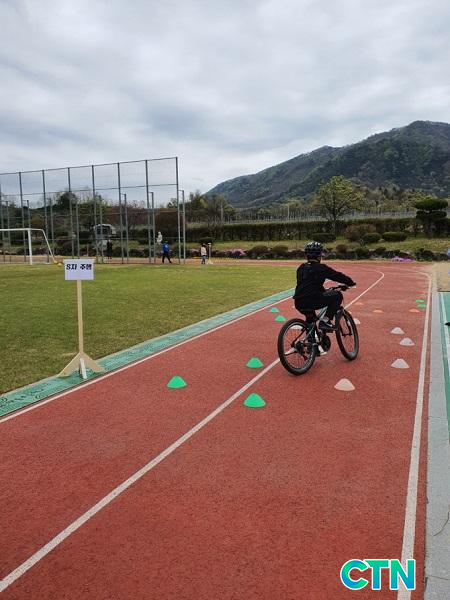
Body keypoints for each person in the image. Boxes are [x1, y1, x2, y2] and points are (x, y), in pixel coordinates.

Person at [293, 241, 356, 331]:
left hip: (299, 302)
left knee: (311, 322)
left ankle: (311, 338)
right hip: (312, 300)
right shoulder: (321, 268)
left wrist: (323, 290)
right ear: (319, 255)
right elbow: (337, 276)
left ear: (306, 255)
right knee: (337, 295)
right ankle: (325, 321)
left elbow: (309, 285)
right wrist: (350, 282)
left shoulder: (301, 268)